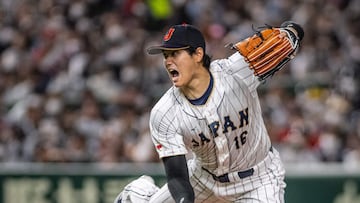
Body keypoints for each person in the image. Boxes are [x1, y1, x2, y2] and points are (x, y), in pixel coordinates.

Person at [114, 22, 303, 203]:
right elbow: (177, 178)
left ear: (197, 54)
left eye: (175, 54)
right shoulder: (164, 113)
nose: (168, 61)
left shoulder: (238, 72)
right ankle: (138, 193)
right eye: (166, 55)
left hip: (258, 179)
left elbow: (288, 37)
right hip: (204, 180)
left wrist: (292, 31)